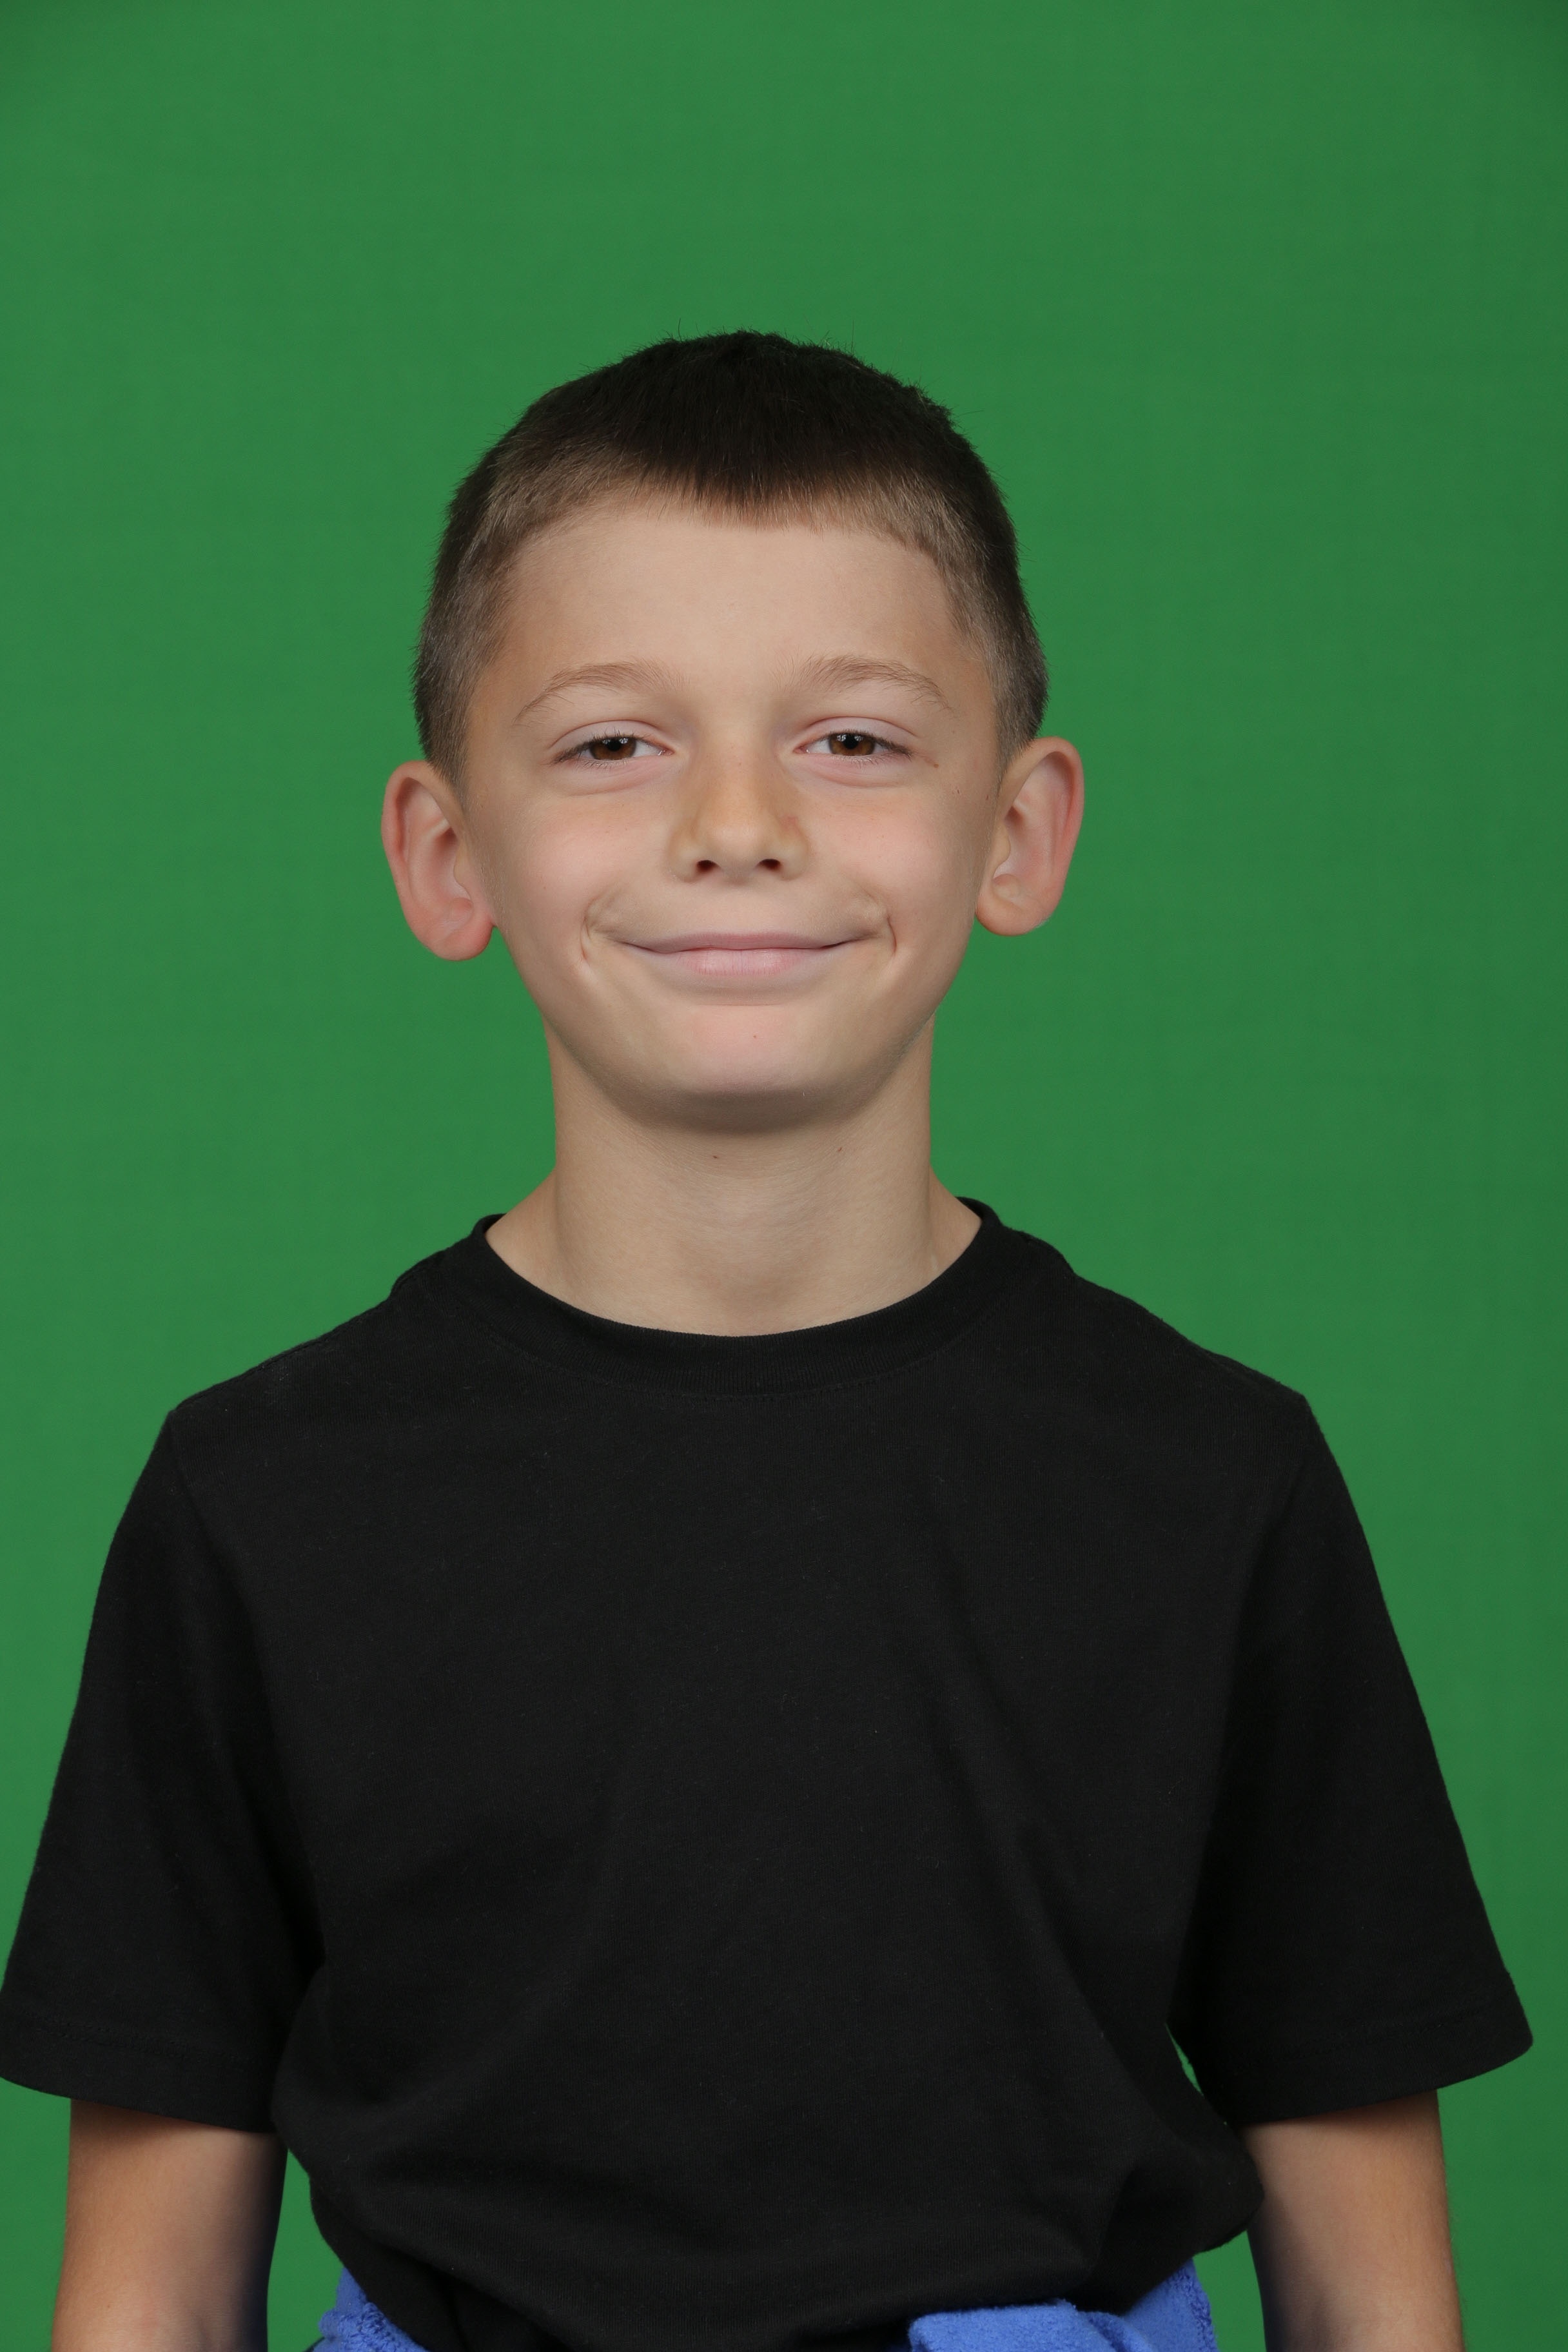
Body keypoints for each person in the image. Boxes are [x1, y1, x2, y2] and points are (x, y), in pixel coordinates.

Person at [0, 333, 1529, 2352]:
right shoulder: (258, 1501)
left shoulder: (1210, 1481)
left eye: (857, 739)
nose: (737, 823)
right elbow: (144, 2297)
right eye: (614, 745)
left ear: (1021, 831)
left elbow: (1379, 2285)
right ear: (448, 854)